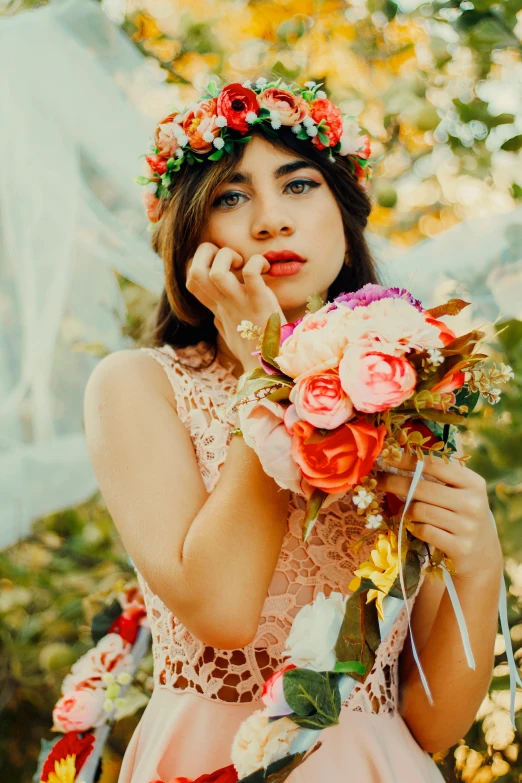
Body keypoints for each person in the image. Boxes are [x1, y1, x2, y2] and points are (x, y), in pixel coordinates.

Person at [83, 79, 503, 783]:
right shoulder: (138, 385)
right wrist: (266, 371)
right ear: (191, 233)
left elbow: (429, 721)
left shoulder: (401, 398)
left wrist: (480, 557)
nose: (271, 220)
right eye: (230, 196)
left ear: (344, 216)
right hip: (204, 760)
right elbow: (221, 609)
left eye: (299, 185)